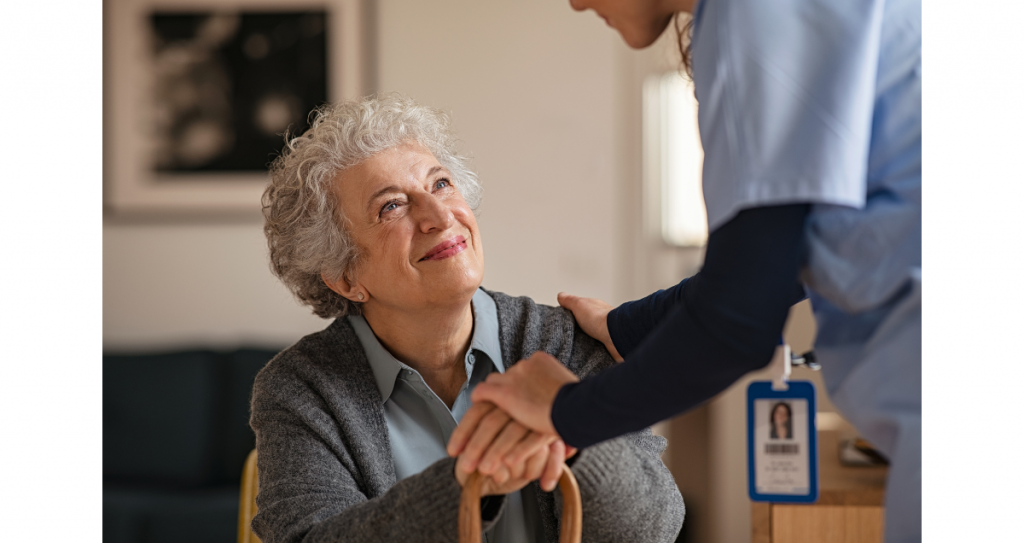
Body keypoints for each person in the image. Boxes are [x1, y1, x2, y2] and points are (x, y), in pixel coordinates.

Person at [449, 0, 921, 541]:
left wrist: (564, 410)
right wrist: (629, 327)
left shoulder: (752, 16)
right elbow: (789, 257)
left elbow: (737, 325)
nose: (576, 2)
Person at [249, 94, 685, 543]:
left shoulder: (563, 345)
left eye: (440, 184)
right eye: (391, 206)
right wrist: (471, 483)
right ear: (344, 277)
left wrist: (573, 415)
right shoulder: (301, 388)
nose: (439, 216)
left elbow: (652, 530)